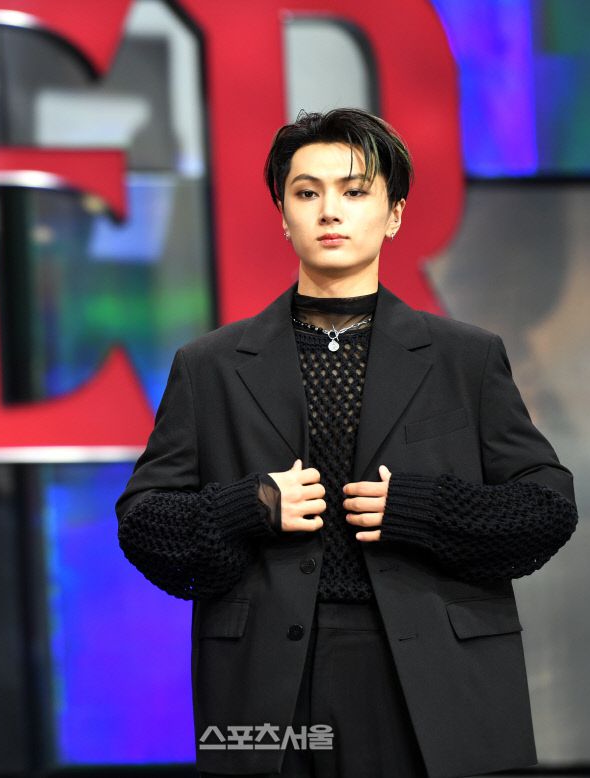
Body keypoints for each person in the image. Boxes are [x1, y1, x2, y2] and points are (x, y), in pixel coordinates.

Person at [115, 108, 578, 778]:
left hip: (435, 672)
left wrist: (422, 509)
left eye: (355, 191)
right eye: (307, 193)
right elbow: (143, 521)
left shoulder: (465, 358)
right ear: (283, 215)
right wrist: (252, 505)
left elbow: (547, 505)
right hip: (267, 678)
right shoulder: (209, 366)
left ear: (394, 214)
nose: (330, 210)